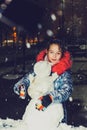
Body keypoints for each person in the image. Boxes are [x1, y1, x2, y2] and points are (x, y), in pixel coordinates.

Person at [13, 39, 73, 124]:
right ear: (47, 52)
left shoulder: (63, 73)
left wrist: (51, 97)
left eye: (58, 53)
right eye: (52, 52)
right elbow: (29, 78)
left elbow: (66, 90)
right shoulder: (40, 66)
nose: (54, 56)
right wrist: (22, 86)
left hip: (55, 111)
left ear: (62, 54)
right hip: (36, 108)